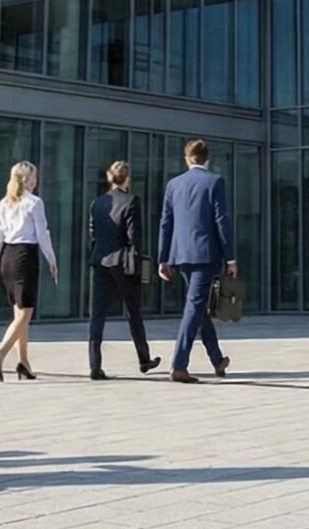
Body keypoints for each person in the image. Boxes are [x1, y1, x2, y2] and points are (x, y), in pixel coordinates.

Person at [156, 139, 235, 384]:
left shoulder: (173, 184)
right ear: (207, 158)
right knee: (194, 306)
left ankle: (217, 359)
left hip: (180, 255)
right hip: (205, 254)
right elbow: (221, 220)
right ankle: (179, 365)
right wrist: (230, 257)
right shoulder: (215, 182)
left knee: (197, 305)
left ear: (187, 159)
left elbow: (165, 222)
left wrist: (163, 258)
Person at [0, 161, 57, 381]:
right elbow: (42, 234)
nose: (37, 180)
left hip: (7, 257)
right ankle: (0, 354)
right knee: (26, 313)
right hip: (25, 257)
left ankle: (23, 363)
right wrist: (52, 260)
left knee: (19, 315)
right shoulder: (34, 203)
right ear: (28, 179)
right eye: (35, 176)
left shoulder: (3, 203)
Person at [86, 162, 160, 381]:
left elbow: (93, 236)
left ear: (110, 178)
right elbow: (134, 238)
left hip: (100, 261)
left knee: (97, 314)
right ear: (127, 179)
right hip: (123, 263)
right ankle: (144, 358)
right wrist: (139, 268)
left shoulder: (97, 203)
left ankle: (94, 365)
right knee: (133, 312)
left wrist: (98, 254)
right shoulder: (131, 201)